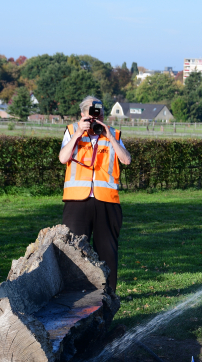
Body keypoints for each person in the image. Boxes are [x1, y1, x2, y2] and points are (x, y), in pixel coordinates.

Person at [59, 95, 131, 292]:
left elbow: (126, 160)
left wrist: (110, 137)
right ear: (82, 114)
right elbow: (62, 158)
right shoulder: (72, 131)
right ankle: (74, 298)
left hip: (106, 202)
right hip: (77, 202)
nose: (94, 117)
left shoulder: (113, 133)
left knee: (107, 253)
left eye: (98, 113)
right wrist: (78, 135)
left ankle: (107, 297)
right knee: (74, 252)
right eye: (90, 112)